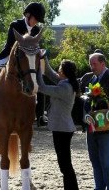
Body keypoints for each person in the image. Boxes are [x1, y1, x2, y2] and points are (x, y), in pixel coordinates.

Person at [0, 2, 46, 122]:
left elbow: (36, 46)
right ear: (28, 15)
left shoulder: (36, 30)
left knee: (39, 81)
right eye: (36, 19)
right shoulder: (15, 25)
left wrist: (40, 52)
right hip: (9, 56)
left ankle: (41, 115)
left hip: (28, 61)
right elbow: (11, 44)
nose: (36, 22)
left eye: (38, 20)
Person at [80, 51, 109, 190]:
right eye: (90, 64)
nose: (92, 67)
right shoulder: (91, 79)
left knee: (106, 162)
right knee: (95, 161)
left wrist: (100, 99)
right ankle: (99, 187)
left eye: (94, 64)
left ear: (102, 63)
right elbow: (87, 102)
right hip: (91, 127)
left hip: (105, 127)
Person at [37, 57, 80, 190]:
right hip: (62, 128)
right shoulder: (66, 82)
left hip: (62, 129)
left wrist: (37, 71)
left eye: (59, 69)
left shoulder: (65, 87)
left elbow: (42, 87)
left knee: (65, 164)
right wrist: (43, 58)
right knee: (64, 164)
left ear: (64, 72)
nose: (57, 71)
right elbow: (49, 73)